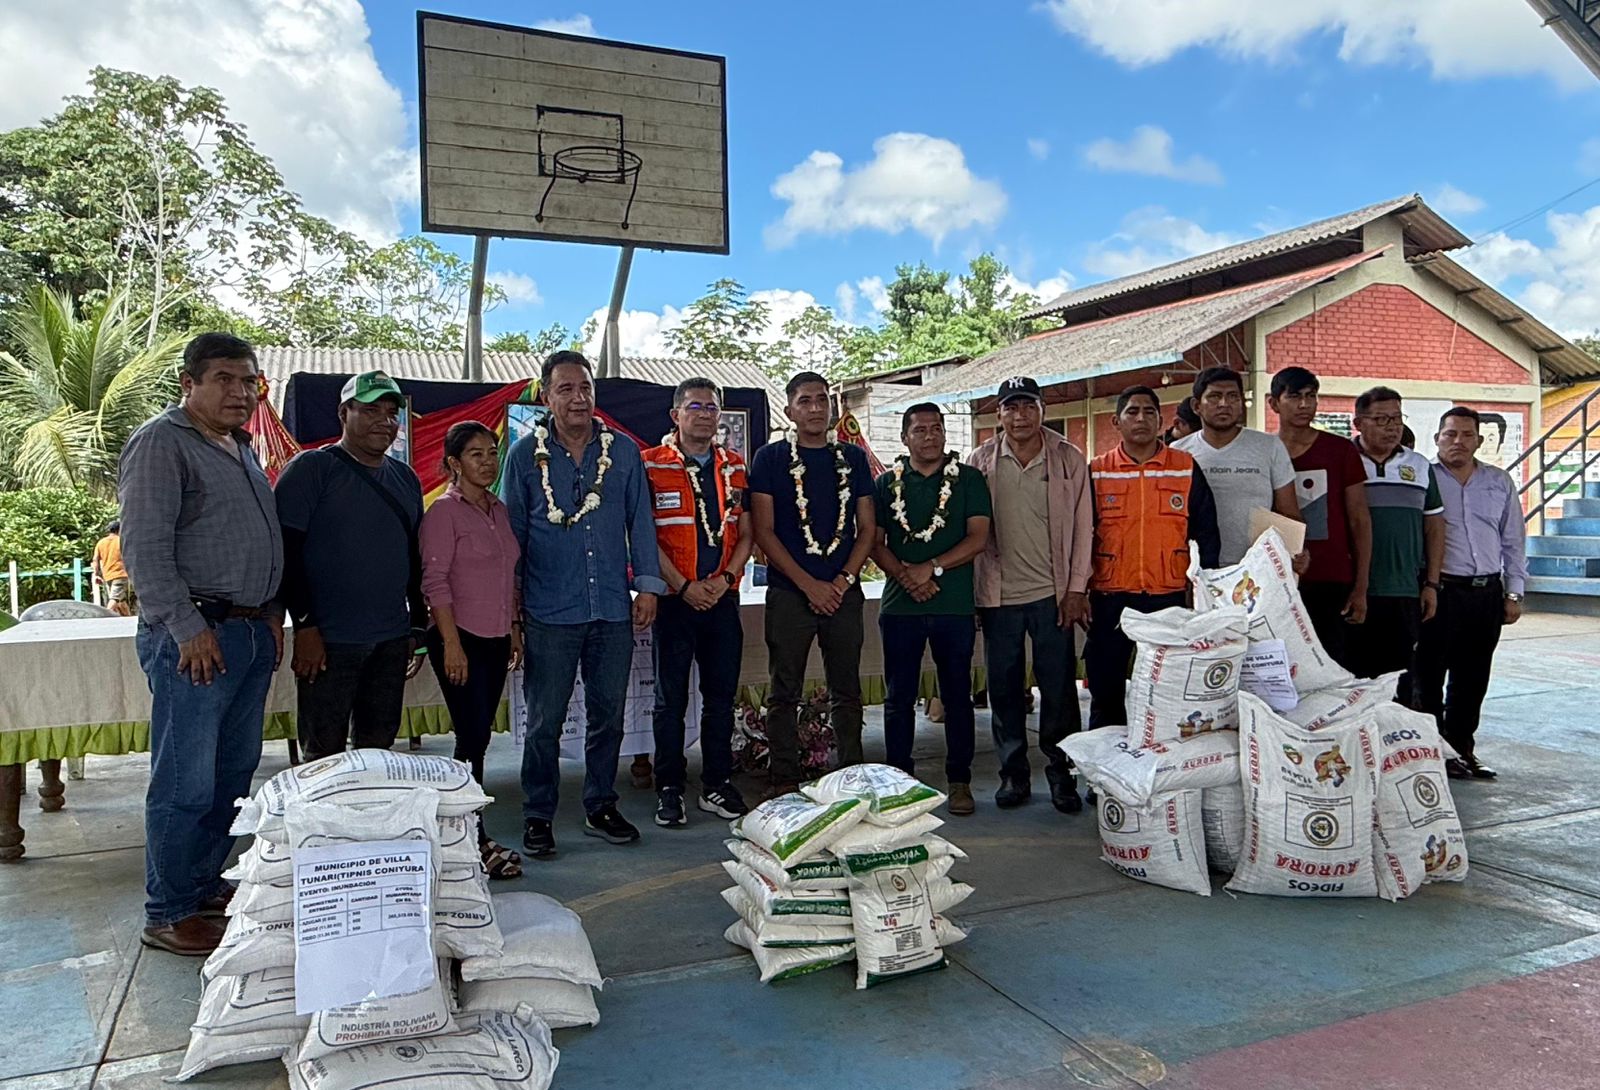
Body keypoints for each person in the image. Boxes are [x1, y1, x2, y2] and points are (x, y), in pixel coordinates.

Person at [119, 332, 284, 956]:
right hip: (196, 637)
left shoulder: (241, 447)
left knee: (231, 776)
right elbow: (144, 549)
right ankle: (168, 911)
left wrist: (269, 614)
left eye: (248, 381)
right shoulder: (162, 441)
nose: (240, 392)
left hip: (247, 632)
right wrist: (188, 628)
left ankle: (203, 882)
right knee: (184, 781)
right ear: (188, 384)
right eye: (224, 379)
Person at [504, 351, 664, 857]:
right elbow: (512, 536)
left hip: (612, 609)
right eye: (566, 389)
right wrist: (513, 612)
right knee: (545, 722)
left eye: (586, 388)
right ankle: (538, 814)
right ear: (546, 397)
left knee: (608, 717)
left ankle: (600, 805)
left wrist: (648, 586)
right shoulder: (524, 456)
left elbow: (641, 522)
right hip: (549, 611)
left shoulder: (624, 452)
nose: (579, 398)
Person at [275, 371, 427, 762]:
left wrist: (416, 626)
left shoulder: (405, 479)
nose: (384, 421)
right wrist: (305, 626)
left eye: (391, 413)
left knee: (378, 751)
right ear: (344, 413)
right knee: (323, 755)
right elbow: (286, 554)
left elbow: (414, 556)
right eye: (371, 410)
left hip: (390, 640)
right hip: (329, 642)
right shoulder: (312, 469)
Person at [968, 376, 1093, 813]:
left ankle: (1062, 775)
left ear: (1042, 410)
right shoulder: (981, 460)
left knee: (1058, 690)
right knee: (1003, 689)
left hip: (1051, 595)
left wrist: (1076, 588)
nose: (1019, 416)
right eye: (1011, 407)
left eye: (1028, 406)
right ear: (999, 414)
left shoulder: (1068, 458)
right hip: (998, 594)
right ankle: (1013, 775)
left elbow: (1084, 527)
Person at [749, 371, 877, 796]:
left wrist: (841, 581)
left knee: (847, 689)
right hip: (790, 593)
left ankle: (851, 776)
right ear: (790, 411)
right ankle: (784, 778)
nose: (816, 408)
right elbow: (764, 532)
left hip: (843, 592)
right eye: (805, 401)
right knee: (784, 690)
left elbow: (867, 529)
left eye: (822, 399)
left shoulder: (853, 458)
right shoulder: (769, 459)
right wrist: (809, 586)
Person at [870, 403, 992, 815]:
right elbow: (874, 542)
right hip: (900, 607)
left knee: (957, 695)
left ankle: (959, 781)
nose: (929, 436)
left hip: (954, 605)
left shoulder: (969, 479)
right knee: (898, 697)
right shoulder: (886, 483)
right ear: (904, 438)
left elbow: (978, 538)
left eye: (936, 428)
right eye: (920, 430)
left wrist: (932, 567)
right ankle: (898, 782)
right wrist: (908, 578)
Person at [643, 377, 754, 827]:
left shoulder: (735, 466)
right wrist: (684, 586)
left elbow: (746, 533)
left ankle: (716, 783)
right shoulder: (651, 464)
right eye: (695, 406)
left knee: (720, 699)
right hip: (675, 600)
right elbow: (643, 537)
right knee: (669, 701)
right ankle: (669, 788)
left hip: (722, 598)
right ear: (676, 415)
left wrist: (725, 579)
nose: (705, 414)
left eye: (712, 407)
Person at [420, 420, 524, 878]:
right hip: (459, 637)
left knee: (478, 738)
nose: (487, 462)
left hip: (496, 636)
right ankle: (469, 837)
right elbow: (435, 583)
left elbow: (507, 575)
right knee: (472, 738)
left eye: (492, 452)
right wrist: (451, 645)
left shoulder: (499, 510)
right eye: (475, 454)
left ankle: (464, 833)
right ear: (454, 463)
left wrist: (514, 628)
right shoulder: (443, 513)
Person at [1086, 386, 1221, 730]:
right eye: (1132, 411)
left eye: (1149, 412)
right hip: (1111, 597)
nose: (1141, 418)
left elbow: (1206, 532)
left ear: (1161, 420)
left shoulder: (1184, 467)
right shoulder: (1098, 471)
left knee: (1167, 690)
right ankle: (1105, 759)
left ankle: (1160, 757)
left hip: (1169, 596)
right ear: (1116, 421)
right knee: (1105, 687)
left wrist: (1204, 590)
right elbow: (1080, 536)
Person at [1414, 407, 1528, 780]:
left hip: (1486, 594)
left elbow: (1513, 540)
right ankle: (1435, 752)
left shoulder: (1498, 481)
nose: (1458, 442)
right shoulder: (1424, 479)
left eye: (1466, 435)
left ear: (1479, 440)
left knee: (1473, 677)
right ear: (1437, 439)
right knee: (1429, 676)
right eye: (1450, 434)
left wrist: (1514, 593)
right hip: (1441, 591)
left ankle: (1463, 749)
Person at [1267, 366, 1371, 670]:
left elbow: (1359, 520)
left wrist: (1361, 587)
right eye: (1294, 396)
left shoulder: (1340, 450)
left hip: (1331, 580)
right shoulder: (1262, 451)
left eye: (1311, 396)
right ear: (1274, 403)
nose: (1304, 404)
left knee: (1331, 669)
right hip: (1277, 580)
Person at [1350, 387, 1444, 701]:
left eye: (1397, 419)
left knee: (1399, 684)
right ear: (1359, 423)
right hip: (1351, 592)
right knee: (1353, 683)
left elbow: (1434, 526)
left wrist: (1431, 584)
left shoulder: (1419, 465)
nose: (1392, 427)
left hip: (1404, 592)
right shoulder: (1343, 460)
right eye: (1381, 419)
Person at [1173, 367, 1304, 566]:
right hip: (1195, 570)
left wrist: (1295, 553)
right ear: (1196, 405)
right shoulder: (1178, 452)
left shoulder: (1269, 446)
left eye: (1233, 396)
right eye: (1215, 396)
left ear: (1242, 404)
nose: (1224, 404)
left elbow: (1289, 514)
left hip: (1257, 569)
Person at [93, 520, 133, 616]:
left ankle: (129, 619)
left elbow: (95, 559)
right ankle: (105, 617)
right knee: (115, 599)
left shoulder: (101, 543)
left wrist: (96, 574)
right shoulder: (121, 541)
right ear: (119, 530)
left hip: (108, 576)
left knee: (121, 600)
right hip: (120, 574)